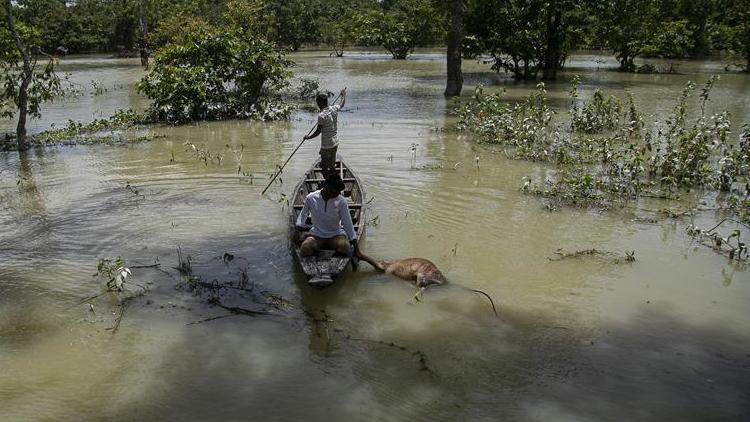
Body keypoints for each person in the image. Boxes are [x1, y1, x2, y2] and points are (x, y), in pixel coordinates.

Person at [295, 173, 358, 258]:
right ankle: (320, 254)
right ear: (327, 188)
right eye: (334, 192)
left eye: (338, 193)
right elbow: (303, 215)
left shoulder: (341, 201)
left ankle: (330, 255)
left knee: (345, 247)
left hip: (336, 235)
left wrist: (355, 246)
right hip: (317, 234)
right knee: (305, 248)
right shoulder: (311, 198)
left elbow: (348, 224)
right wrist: (297, 230)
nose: (337, 195)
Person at [304, 88, 346, 177]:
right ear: (327, 102)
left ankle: (328, 183)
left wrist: (308, 137)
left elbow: (318, 132)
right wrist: (343, 95)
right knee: (331, 166)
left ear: (319, 104)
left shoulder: (321, 116)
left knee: (323, 166)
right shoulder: (334, 108)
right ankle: (333, 180)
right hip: (335, 142)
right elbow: (341, 104)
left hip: (326, 145)